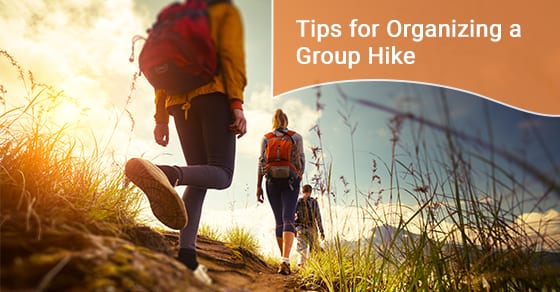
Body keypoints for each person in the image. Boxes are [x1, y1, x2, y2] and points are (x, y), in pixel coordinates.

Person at [125, 0, 246, 286]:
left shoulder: (173, 14)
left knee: (200, 175)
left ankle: (187, 257)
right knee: (222, 174)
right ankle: (167, 173)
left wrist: (161, 117)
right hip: (213, 95)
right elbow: (231, 57)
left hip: (178, 103)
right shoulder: (222, 11)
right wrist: (237, 104)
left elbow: (160, 71)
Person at [256, 109, 305, 275]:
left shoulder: (266, 138)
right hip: (291, 182)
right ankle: (285, 259)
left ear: (274, 122)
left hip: (271, 183)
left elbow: (261, 162)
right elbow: (302, 161)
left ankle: (283, 260)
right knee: (288, 218)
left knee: (279, 221)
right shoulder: (296, 137)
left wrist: (258, 186)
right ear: (286, 122)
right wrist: (297, 178)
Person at [295, 184, 325, 268]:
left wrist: (294, 229)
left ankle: (302, 266)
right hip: (312, 228)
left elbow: (292, 215)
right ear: (311, 192)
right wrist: (321, 231)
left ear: (302, 191)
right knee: (314, 247)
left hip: (300, 228)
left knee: (302, 247)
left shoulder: (298, 202)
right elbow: (318, 217)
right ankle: (315, 267)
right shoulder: (314, 202)